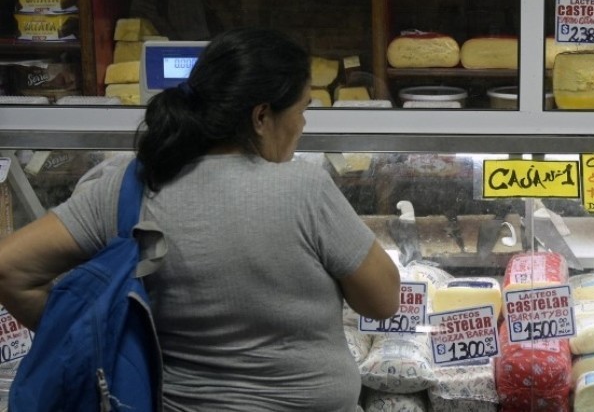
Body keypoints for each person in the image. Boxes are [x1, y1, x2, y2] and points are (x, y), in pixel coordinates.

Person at [0, 27, 400, 411]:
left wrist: (100, 340)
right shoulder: (304, 189)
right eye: (303, 110)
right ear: (261, 117)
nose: (304, 124)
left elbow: (9, 269)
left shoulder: (129, 186)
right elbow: (382, 300)